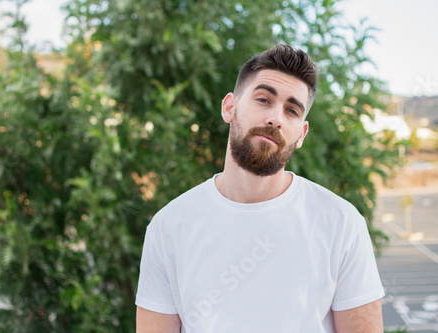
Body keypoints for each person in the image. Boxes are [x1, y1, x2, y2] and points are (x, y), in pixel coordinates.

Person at [135, 44, 385, 332]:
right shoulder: (169, 227)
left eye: (292, 110)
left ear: (301, 134)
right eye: (264, 99)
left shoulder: (341, 222)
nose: (276, 119)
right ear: (230, 107)